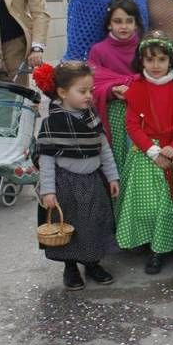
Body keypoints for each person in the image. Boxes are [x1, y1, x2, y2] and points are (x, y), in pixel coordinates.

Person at [115, 31, 173, 274]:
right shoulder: (135, 88)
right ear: (141, 61)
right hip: (148, 153)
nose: (155, 65)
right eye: (149, 60)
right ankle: (156, 250)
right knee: (154, 205)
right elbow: (132, 125)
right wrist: (154, 152)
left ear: (171, 61)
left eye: (161, 60)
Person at [34, 61, 119, 290]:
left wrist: (112, 177)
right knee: (68, 226)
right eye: (82, 91)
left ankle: (92, 263)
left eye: (91, 90)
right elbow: (47, 160)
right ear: (62, 93)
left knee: (93, 224)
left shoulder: (91, 118)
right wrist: (48, 191)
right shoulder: (52, 124)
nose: (89, 96)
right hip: (65, 185)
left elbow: (104, 150)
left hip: (92, 182)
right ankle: (70, 267)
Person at [87, 0, 143, 173]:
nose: (124, 26)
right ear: (109, 24)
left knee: (139, 159)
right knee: (117, 160)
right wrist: (112, 89)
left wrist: (133, 87)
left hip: (142, 114)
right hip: (113, 117)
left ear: (136, 24)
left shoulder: (144, 48)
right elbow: (93, 84)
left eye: (129, 21)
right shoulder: (99, 50)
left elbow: (150, 77)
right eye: (118, 21)